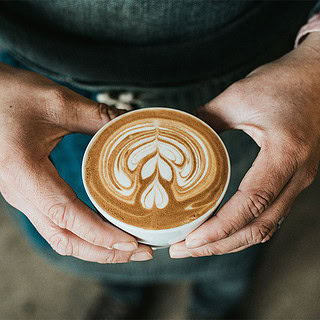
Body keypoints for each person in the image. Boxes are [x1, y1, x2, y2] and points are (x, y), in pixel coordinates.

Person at [0, 1, 319, 319]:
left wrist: (315, 63)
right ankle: (124, 292)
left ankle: (215, 307)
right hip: (38, 85)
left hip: (245, 74)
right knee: (94, 238)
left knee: (240, 233)